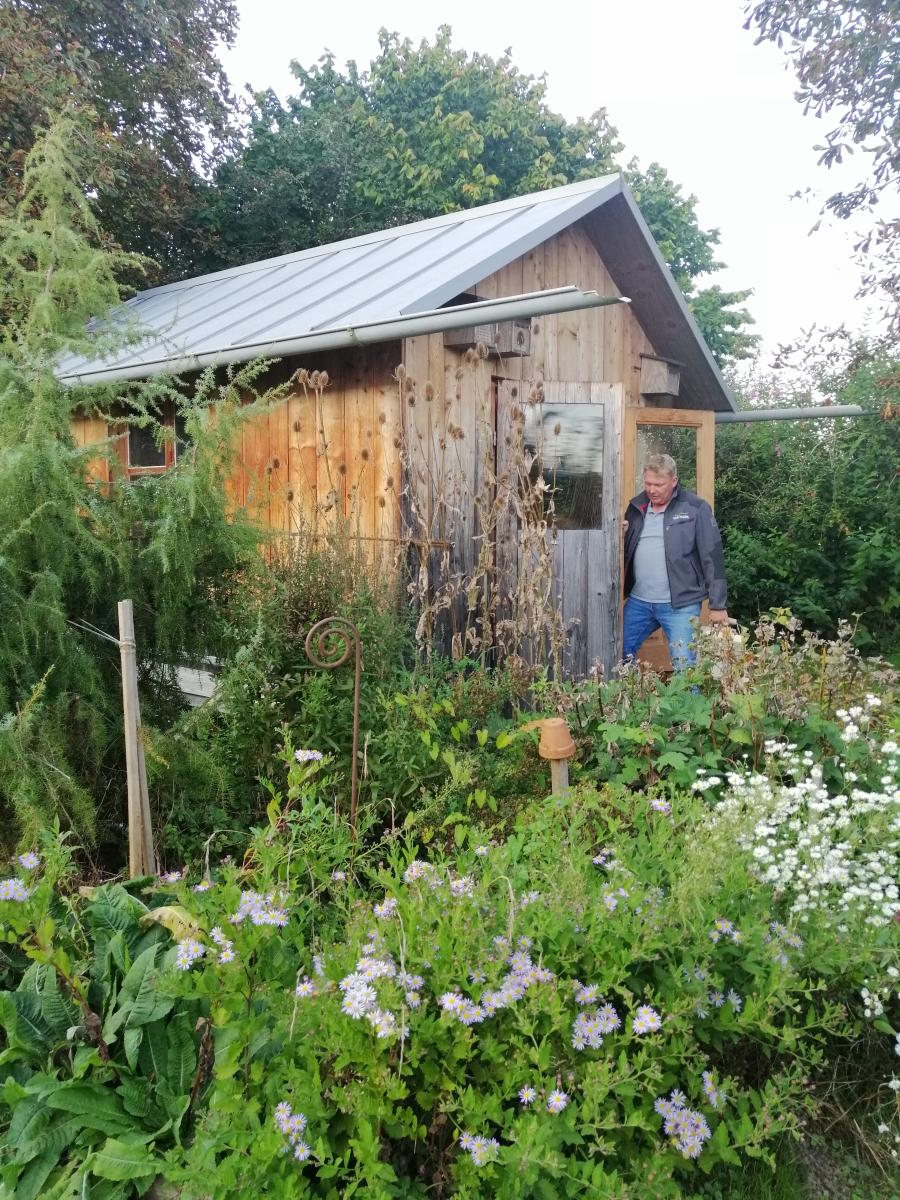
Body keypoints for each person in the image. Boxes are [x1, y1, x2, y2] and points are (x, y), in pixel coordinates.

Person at [622, 453, 728, 670]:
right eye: (648, 483)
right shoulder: (636, 507)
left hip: (680, 605)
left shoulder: (695, 508)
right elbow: (624, 551)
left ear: (674, 481)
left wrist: (718, 605)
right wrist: (620, 535)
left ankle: (688, 705)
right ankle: (630, 699)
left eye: (658, 484)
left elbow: (713, 556)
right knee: (619, 649)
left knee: (684, 666)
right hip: (639, 602)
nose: (652, 490)